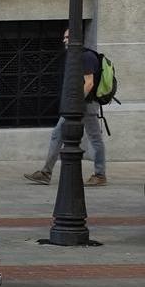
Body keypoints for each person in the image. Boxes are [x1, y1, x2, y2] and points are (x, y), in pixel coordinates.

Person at [24, 29, 108, 187]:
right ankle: (46, 173)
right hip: (79, 105)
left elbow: (89, 83)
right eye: (64, 37)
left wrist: (76, 103)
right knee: (59, 134)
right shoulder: (77, 57)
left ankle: (99, 174)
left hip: (85, 105)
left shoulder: (87, 56)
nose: (64, 40)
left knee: (93, 139)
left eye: (67, 37)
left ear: (76, 39)